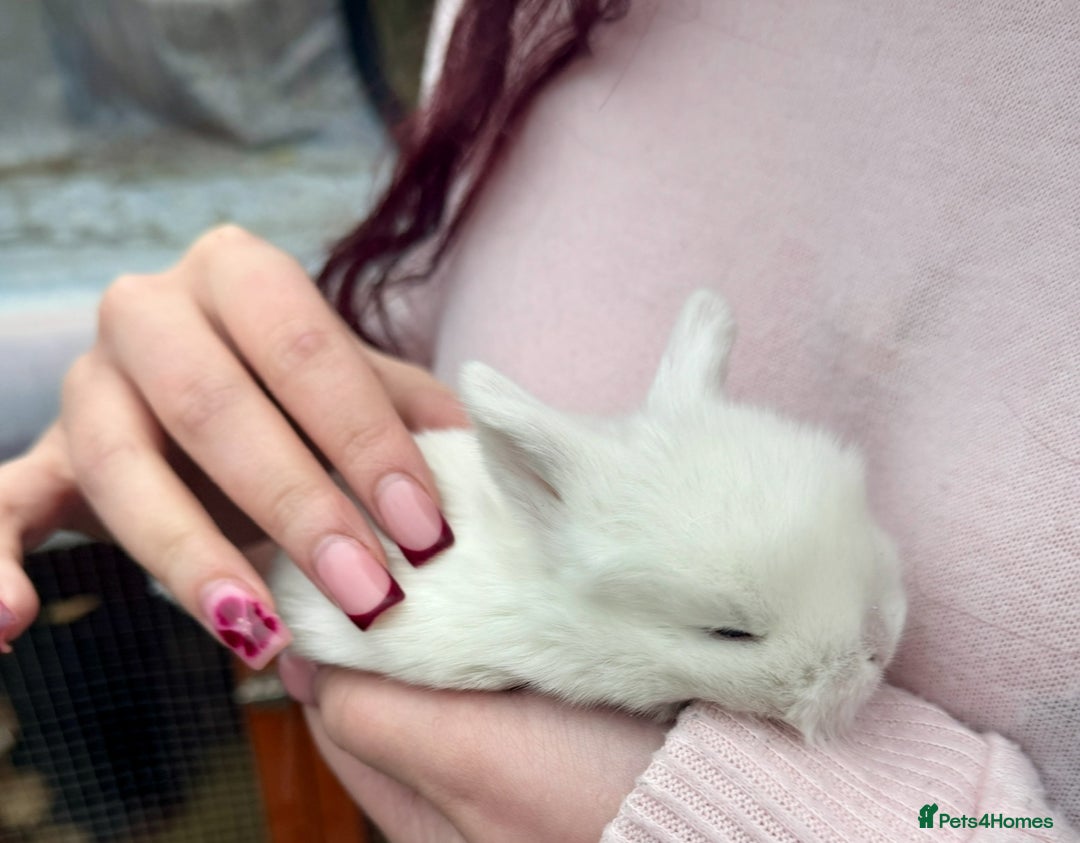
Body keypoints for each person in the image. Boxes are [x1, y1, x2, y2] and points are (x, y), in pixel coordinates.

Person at [1, 0, 1078, 840]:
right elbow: (414, 329)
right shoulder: (530, 17)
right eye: (733, 631)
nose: (867, 644)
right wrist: (245, 409)